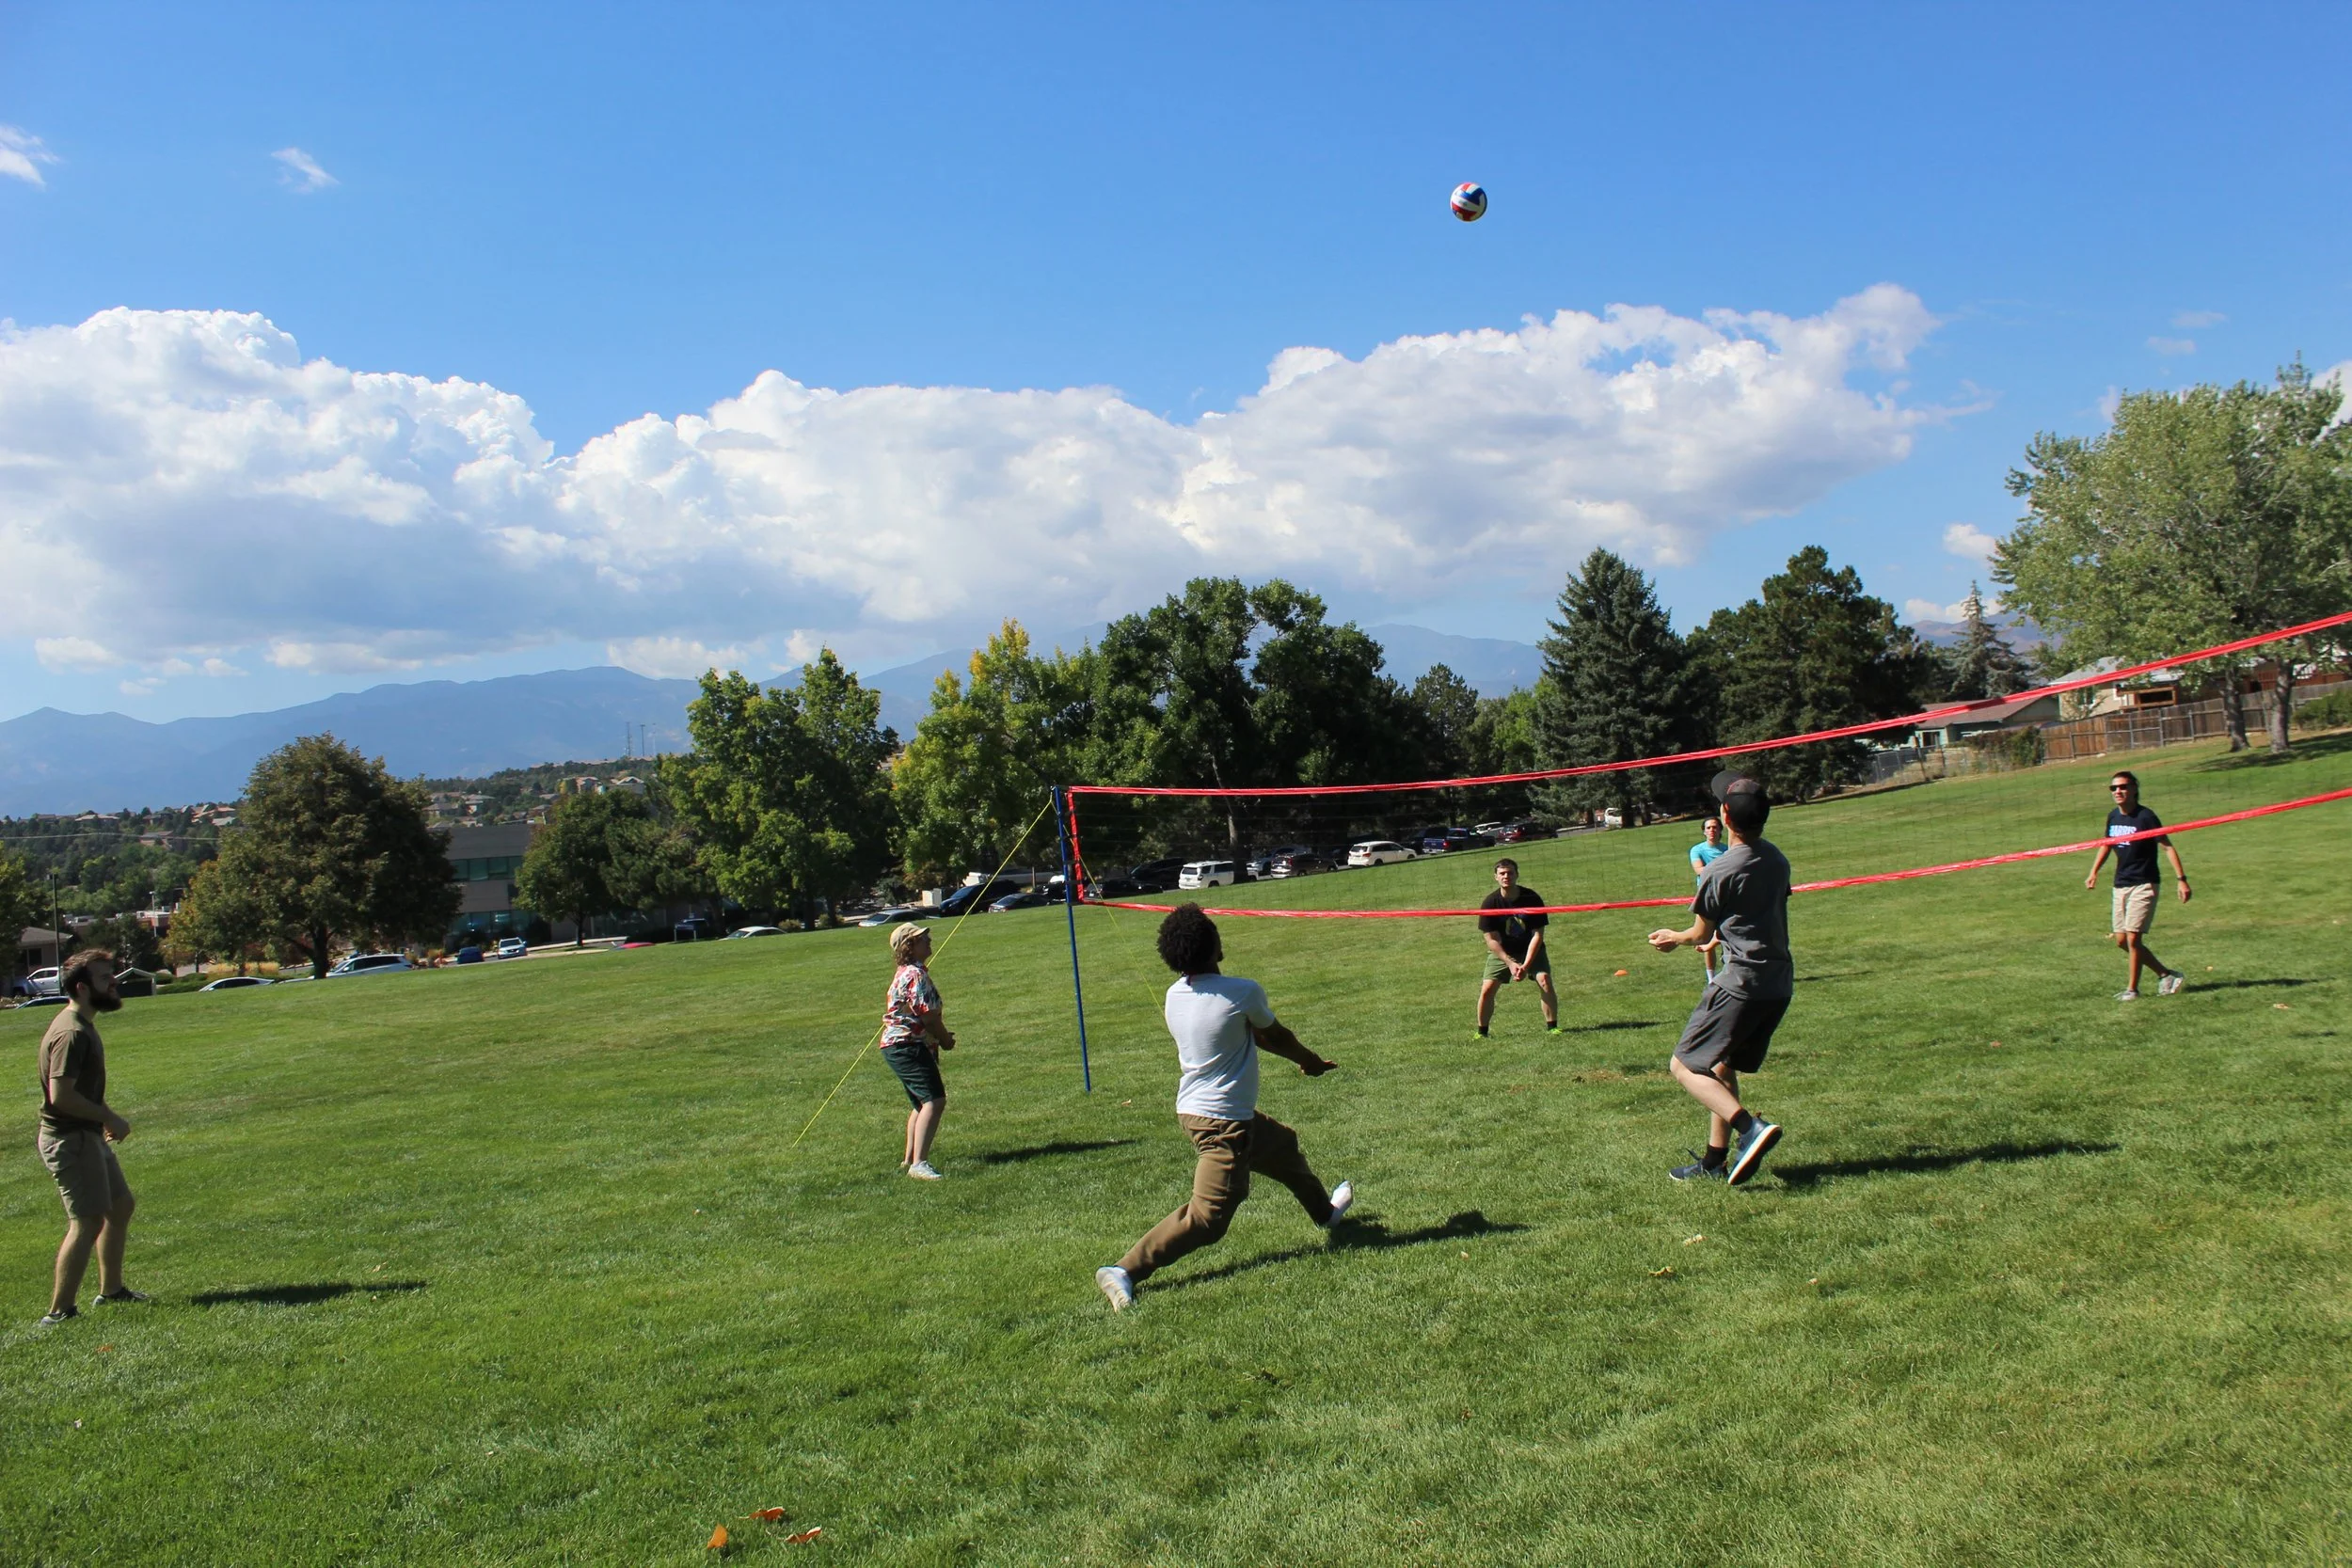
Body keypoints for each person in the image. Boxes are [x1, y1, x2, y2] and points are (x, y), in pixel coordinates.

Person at [1095, 905, 1352, 1310]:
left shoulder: (1175, 994)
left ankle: (1326, 1214)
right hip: (1222, 1121)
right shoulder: (1242, 990)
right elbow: (1276, 1036)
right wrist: (1310, 1062)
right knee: (1209, 1217)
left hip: (1199, 1110)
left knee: (1282, 1145)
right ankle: (1124, 1270)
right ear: (1213, 947)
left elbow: (1253, 1034)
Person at [1647, 772, 1791, 1186]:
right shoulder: (1777, 859)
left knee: (1685, 1065)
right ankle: (1713, 1161)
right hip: (1778, 982)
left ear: (1725, 817)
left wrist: (1675, 937)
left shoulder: (1720, 871)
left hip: (1742, 982)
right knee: (1723, 1066)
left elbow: (1701, 934)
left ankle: (1750, 1129)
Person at [36, 949, 147, 1326]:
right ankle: (59, 1312)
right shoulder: (71, 1033)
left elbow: (81, 1090)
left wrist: (102, 1117)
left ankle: (112, 1291)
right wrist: (109, 1116)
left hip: (85, 1133)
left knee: (120, 1206)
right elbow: (61, 1096)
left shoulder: (81, 1024)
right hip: (69, 1139)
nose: (113, 983)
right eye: (104, 979)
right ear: (82, 988)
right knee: (87, 1221)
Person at [2085, 769, 2189, 1000]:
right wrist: (2094, 872)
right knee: (2122, 941)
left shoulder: (2146, 817)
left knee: (2133, 939)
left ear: (2134, 790)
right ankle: (2165, 974)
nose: (2118, 791)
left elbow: (2167, 846)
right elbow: (2107, 844)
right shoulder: (2113, 817)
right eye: (2114, 788)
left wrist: (2181, 880)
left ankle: (2132, 990)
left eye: (2123, 787)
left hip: (2144, 883)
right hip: (2120, 884)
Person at [880, 922, 956, 1180]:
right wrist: (945, 1040)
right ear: (909, 946)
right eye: (923, 939)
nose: (929, 940)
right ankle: (919, 1164)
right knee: (935, 1100)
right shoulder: (915, 975)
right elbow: (929, 1016)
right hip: (906, 1045)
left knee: (921, 1104)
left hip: (900, 1045)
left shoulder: (907, 972)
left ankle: (909, 1159)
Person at [1474, 859, 1560, 1039]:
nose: (1506, 876)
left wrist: (1526, 965)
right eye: (1502, 873)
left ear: (1517, 875)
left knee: (1544, 979)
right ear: (1496, 877)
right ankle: (1482, 1032)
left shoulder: (1531, 898)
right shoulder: (1490, 903)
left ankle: (1553, 1027)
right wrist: (1510, 963)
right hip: (1503, 951)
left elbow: (1538, 935)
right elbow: (1491, 939)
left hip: (1531, 948)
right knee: (1487, 988)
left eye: (1510, 872)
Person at [1689, 816, 1728, 984]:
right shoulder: (1697, 850)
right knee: (1707, 936)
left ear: (1721, 830)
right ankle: (1711, 979)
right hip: (1707, 896)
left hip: (1727, 894)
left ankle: (1729, 971)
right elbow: (1700, 871)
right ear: (1704, 831)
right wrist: (1724, 869)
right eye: (1708, 828)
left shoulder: (1728, 850)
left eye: (1714, 827)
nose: (1712, 830)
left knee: (1727, 933)